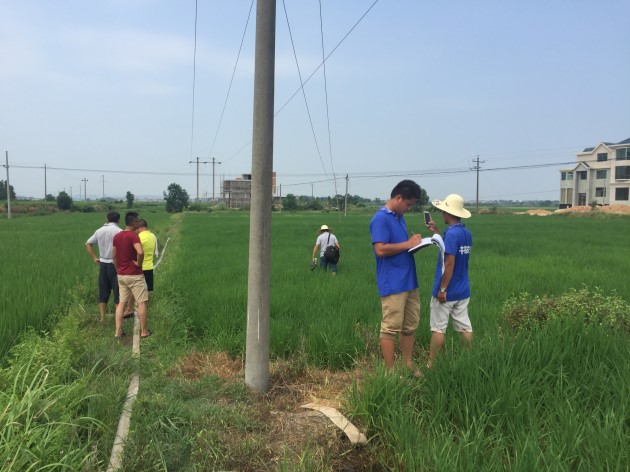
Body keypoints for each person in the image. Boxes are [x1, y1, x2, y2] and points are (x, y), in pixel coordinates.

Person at [369, 180, 423, 375]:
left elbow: (401, 247)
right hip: (393, 282)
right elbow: (381, 249)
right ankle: (390, 373)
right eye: (408, 204)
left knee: (410, 326)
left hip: (409, 280)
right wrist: (408, 244)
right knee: (390, 327)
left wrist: (416, 245)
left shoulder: (400, 218)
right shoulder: (380, 219)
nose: (409, 208)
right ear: (398, 198)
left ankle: (408, 364)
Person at [425, 194, 473, 368]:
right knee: (464, 327)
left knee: (438, 328)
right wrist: (436, 231)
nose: (441, 214)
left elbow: (450, 263)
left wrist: (442, 289)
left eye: (443, 211)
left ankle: (432, 365)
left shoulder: (452, 234)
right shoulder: (465, 232)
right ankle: (468, 361)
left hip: (448, 291)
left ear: (448, 213)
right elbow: (450, 248)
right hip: (463, 289)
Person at [84, 211, 133, 321]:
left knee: (103, 291)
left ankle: (102, 317)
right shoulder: (119, 232)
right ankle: (118, 317)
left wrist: (94, 258)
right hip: (115, 265)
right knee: (118, 291)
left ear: (107, 219)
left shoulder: (99, 231)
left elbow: (87, 244)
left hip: (103, 264)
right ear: (118, 220)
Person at [112, 211, 151, 339]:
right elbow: (140, 252)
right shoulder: (134, 236)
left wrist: (118, 269)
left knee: (121, 303)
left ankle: (118, 332)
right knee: (142, 302)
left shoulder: (117, 236)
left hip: (121, 275)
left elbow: (114, 256)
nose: (139, 223)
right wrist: (138, 264)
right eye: (138, 221)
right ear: (133, 222)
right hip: (134, 275)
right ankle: (144, 331)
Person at [137, 219, 158, 298]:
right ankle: (147, 303)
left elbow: (137, 252)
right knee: (148, 289)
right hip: (149, 266)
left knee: (138, 290)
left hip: (140, 267)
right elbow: (154, 251)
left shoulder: (138, 237)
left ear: (139, 227)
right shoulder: (153, 236)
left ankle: (139, 304)